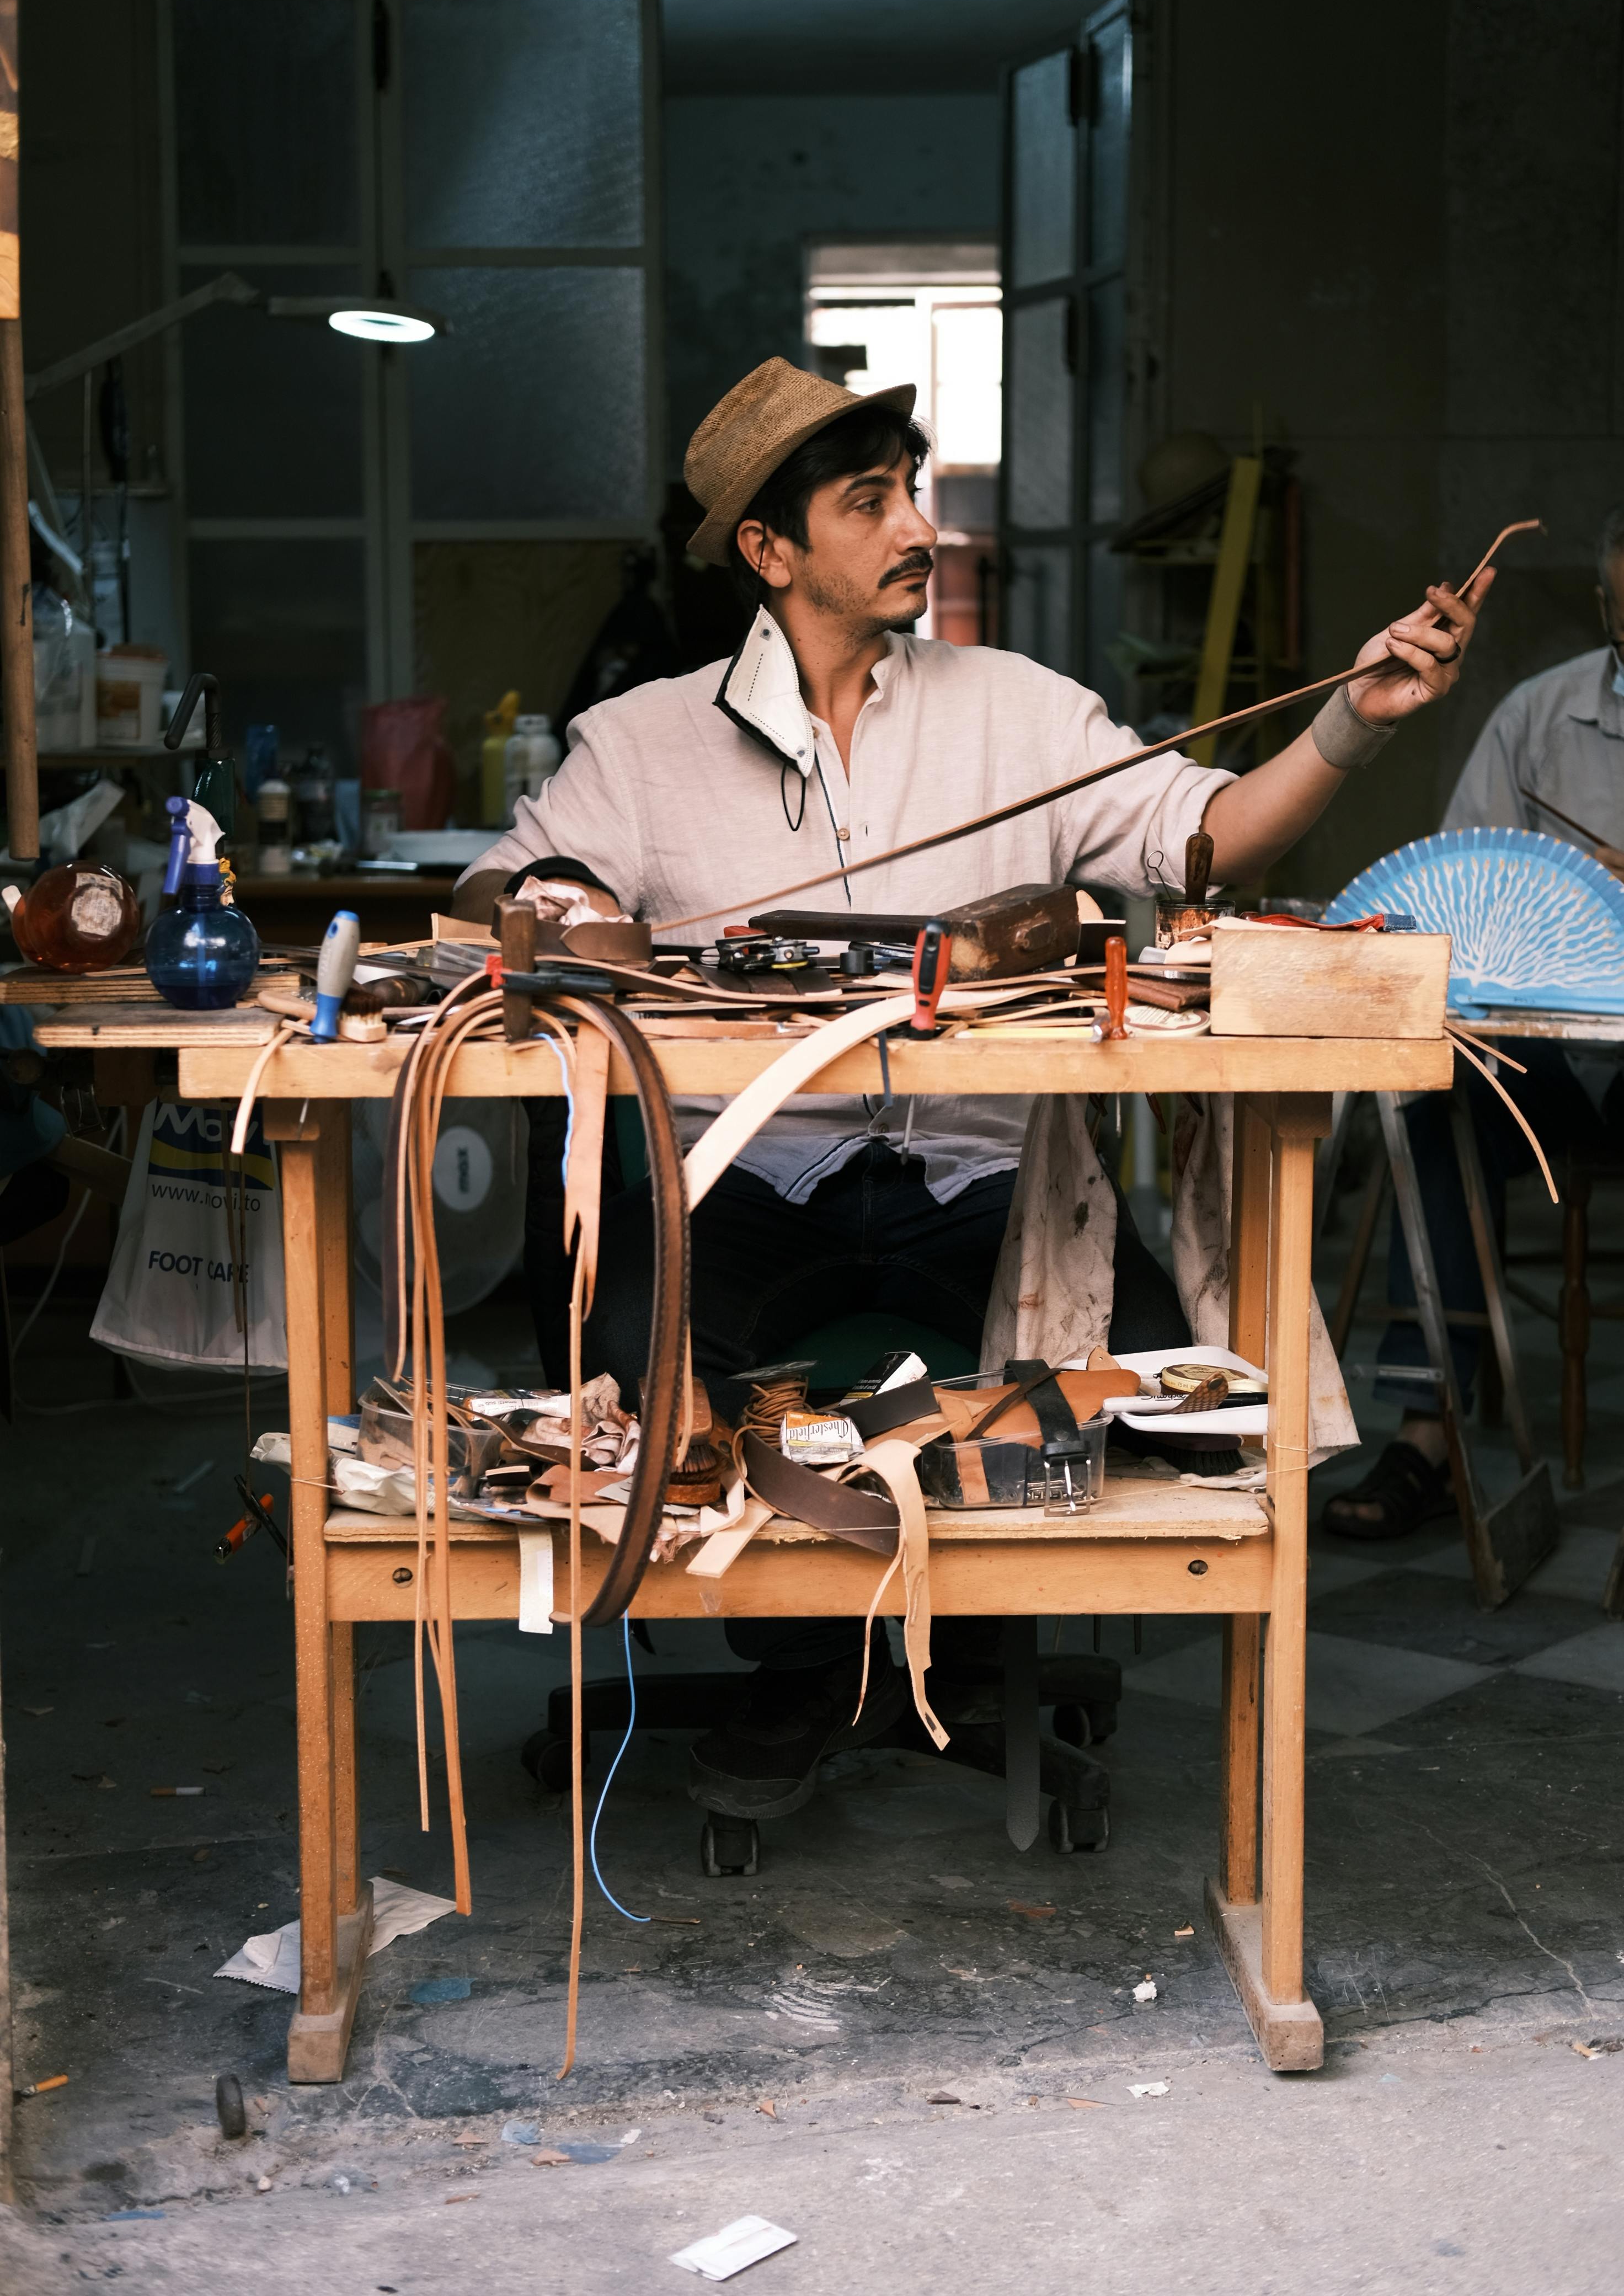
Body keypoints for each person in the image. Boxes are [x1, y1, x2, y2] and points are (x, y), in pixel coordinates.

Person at [456, 356, 1488, 1810]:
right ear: (768, 549)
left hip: (989, 1195)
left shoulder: (1022, 710)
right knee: (624, 1388)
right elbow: (514, 886)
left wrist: (1351, 723)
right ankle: (819, 1659)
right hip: (746, 1193)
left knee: (1183, 1410)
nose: (914, 530)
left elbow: (1206, 835)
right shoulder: (642, 745)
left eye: (913, 494)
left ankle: (953, 1633)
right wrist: (567, 905)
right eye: (869, 504)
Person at [1323, 504, 1624, 1538]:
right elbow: (1461, 893)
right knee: (1428, 1102)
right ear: (1604, 604)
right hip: (1543, 1058)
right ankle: (1429, 1435)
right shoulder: (1542, 717)